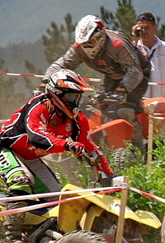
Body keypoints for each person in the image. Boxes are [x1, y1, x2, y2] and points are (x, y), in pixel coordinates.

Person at [0, 69, 114, 243]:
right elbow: (36, 136)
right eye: (71, 96)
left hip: (30, 157)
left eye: (78, 97)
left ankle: (41, 236)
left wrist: (108, 174)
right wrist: (67, 145)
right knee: (21, 181)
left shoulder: (76, 119)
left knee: (57, 197)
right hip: (3, 149)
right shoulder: (39, 107)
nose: (75, 101)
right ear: (56, 94)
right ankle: (11, 238)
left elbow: (90, 147)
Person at [45, 15, 151, 152]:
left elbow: (135, 72)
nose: (87, 46)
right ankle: (102, 146)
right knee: (94, 106)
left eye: (91, 42)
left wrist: (122, 89)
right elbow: (62, 64)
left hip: (138, 74)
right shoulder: (79, 48)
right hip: (111, 75)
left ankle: (140, 150)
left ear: (100, 36)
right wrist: (46, 82)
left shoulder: (116, 45)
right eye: (84, 43)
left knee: (125, 110)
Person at [131, 11, 165, 100]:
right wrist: (135, 39)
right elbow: (129, 67)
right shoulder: (134, 48)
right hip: (140, 100)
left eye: (147, 28)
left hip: (160, 99)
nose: (144, 31)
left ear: (155, 27)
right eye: (140, 28)